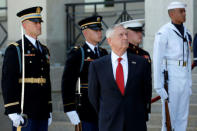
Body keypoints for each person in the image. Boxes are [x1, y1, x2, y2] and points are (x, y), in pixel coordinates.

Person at [88, 24, 151, 131]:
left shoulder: (141, 63)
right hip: (109, 123)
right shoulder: (98, 65)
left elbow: (146, 93)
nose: (126, 38)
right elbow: (93, 96)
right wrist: (108, 112)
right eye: (121, 35)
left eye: (126, 34)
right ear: (110, 40)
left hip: (136, 122)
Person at [1, 6, 52, 131]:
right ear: (24, 25)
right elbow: (8, 80)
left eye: (40, 22)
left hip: (42, 111)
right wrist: (12, 110)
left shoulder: (44, 49)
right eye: (35, 22)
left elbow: (46, 80)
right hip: (24, 111)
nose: (39, 25)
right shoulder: (16, 49)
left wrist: (49, 108)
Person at [61, 15, 108, 131]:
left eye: (100, 30)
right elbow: (68, 82)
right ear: (86, 33)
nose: (99, 33)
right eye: (95, 30)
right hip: (85, 109)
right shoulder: (78, 53)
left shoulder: (104, 53)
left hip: (102, 109)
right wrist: (70, 108)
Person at [153, 1, 192, 131]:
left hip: (184, 77)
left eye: (184, 11)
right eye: (181, 11)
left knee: (182, 117)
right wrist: (158, 86)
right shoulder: (164, 32)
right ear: (171, 14)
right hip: (171, 76)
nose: (184, 13)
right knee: (169, 118)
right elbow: (157, 59)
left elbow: (187, 58)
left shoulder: (186, 32)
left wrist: (190, 83)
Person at [121, 19, 152, 121]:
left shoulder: (144, 54)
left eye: (140, 31)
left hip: (140, 105)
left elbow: (147, 84)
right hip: (125, 106)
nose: (140, 34)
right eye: (136, 31)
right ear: (126, 33)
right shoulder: (121, 53)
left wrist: (147, 107)